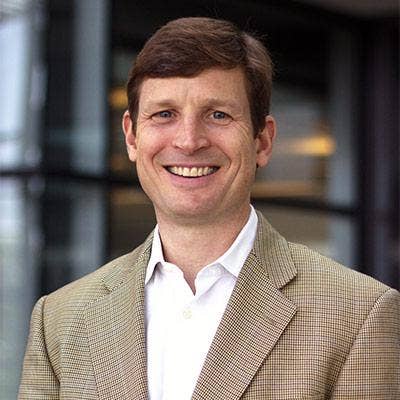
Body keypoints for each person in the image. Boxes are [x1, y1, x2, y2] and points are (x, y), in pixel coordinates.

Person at [19, 17, 399, 400]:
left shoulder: (359, 315)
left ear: (262, 141)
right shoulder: (60, 319)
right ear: (132, 136)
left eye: (218, 114)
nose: (188, 141)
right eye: (164, 114)